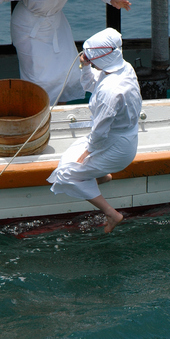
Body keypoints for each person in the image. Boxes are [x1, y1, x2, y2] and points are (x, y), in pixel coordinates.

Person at [0, 0, 131, 105]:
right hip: (28, 25)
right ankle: (38, 111)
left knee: (68, 69)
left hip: (55, 21)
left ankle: (59, 107)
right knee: (38, 76)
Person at [47, 28, 142, 233]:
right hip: (123, 138)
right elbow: (92, 83)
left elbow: (99, 131)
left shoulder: (111, 91)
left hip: (115, 146)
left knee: (66, 173)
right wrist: (85, 66)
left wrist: (87, 152)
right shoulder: (123, 68)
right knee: (69, 158)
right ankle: (100, 176)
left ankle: (111, 213)